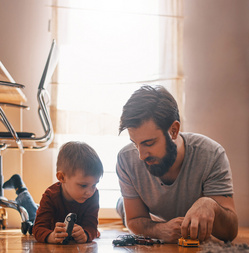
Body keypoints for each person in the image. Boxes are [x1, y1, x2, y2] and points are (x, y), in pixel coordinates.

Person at [116, 85, 238, 243]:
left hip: (175, 215)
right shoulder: (126, 159)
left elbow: (230, 233)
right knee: (122, 207)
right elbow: (134, 220)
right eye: (135, 143)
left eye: (149, 143)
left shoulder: (211, 154)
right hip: (151, 214)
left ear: (173, 130)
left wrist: (210, 205)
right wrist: (160, 230)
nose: (140, 155)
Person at [33, 141, 103, 244]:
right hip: (43, 219)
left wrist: (85, 234)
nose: (89, 192)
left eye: (94, 185)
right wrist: (50, 236)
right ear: (62, 177)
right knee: (31, 217)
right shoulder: (50, 195)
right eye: (83, 185)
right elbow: (39, 228)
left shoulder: (93, 195)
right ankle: (21, 190)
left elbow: (92, 226)